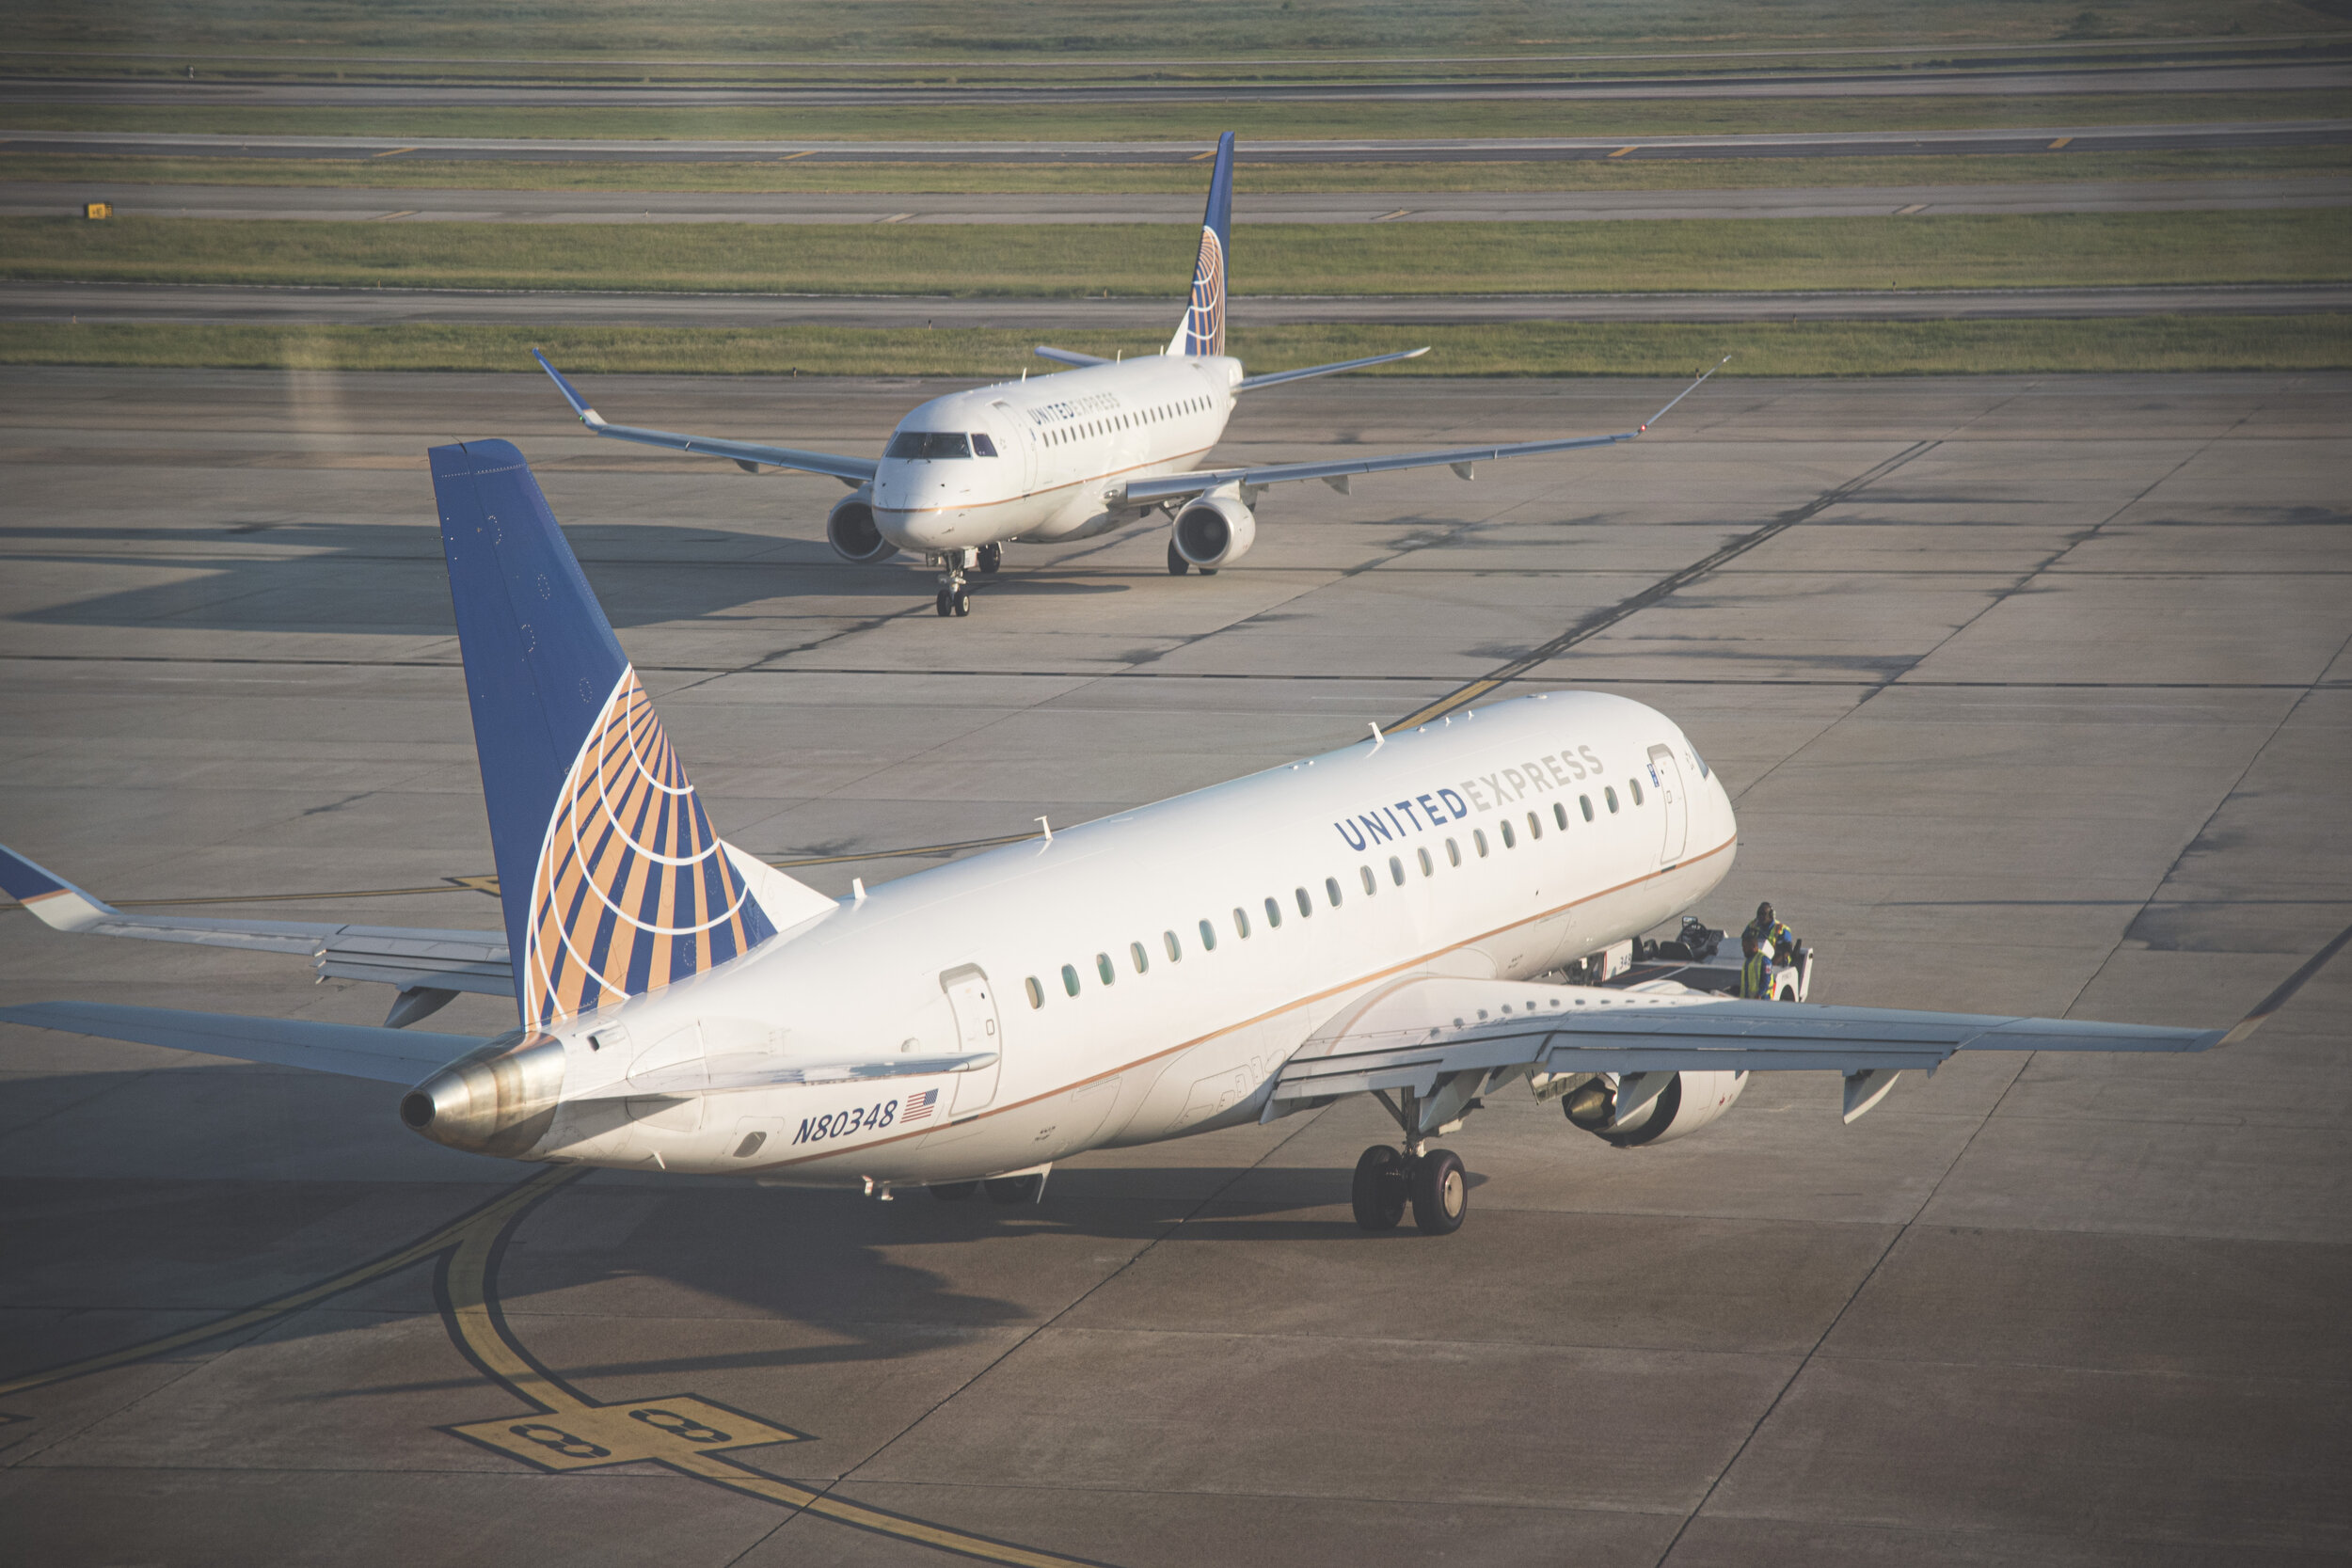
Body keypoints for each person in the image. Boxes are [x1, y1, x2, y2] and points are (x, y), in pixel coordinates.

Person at [1739, 931, 1771, 1000]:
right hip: (1748, 999)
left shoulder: (1764, 960)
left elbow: (1766, 980)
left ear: (1753, 946)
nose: (1743, 949)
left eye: (1745, 947)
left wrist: (1759, 994)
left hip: (1762, 999)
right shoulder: (1748, 960)